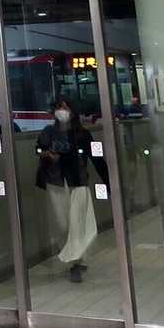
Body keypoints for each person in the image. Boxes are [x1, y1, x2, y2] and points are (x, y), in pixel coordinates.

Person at [34, 96, 104, 282]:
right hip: (56, 182)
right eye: (59, 107)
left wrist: (107, 180)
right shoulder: (49, 132)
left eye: (66, 108)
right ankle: (73, 258)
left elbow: (95, 158)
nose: (62, 111)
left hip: (78, 182)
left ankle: (77, 262)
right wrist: (47, 153)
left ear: (73, 111)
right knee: (63, 224)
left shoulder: (81, 134)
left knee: (77, 222)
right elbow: (38, 149)